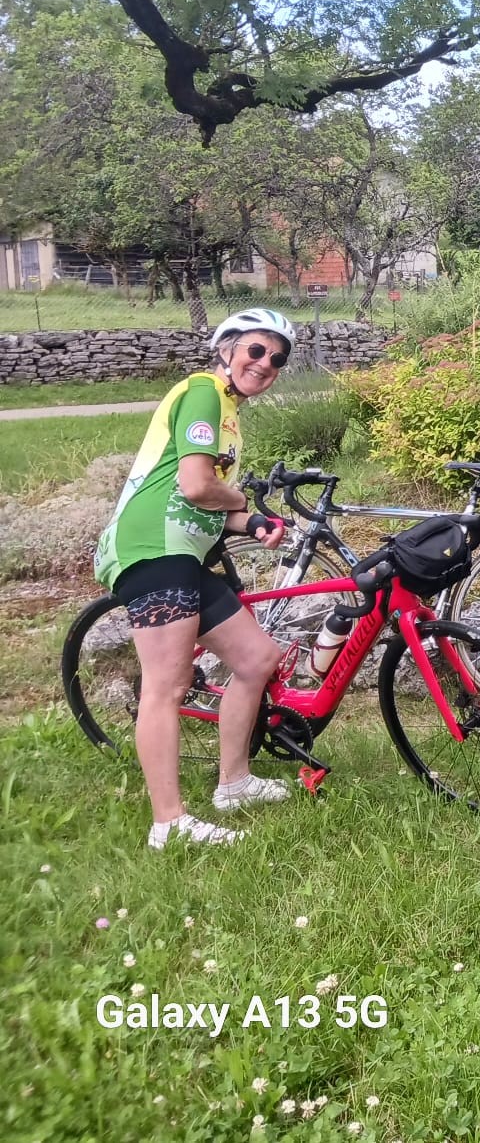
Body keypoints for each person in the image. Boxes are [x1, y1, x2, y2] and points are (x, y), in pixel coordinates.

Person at [93, 308, 298, 849]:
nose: (266, 363)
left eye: (277, 358)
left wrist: (252, 520)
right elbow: (194, 486)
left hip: (184, 552)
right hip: (151, 547)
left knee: (256, 659)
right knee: (168, 685)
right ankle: (169, 824)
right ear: (228, 347)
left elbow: (210, 501)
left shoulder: (229, 411)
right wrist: (245, 499)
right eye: (256, 349)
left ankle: (234, 783)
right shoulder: (204, 390)